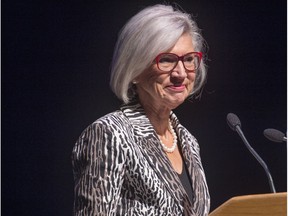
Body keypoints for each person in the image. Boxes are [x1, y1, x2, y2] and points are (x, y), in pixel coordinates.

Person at [72, 4, 210, 215]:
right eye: (166, 60)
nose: (181, 73)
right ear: (134, 69)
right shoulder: (110, 134)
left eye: (189, 59)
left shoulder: (189, 142)